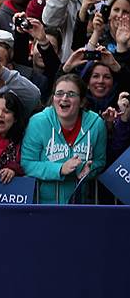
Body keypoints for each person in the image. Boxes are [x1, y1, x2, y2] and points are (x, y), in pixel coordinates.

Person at [21, 74, 107, 203]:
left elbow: (100, 161)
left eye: (71, 94)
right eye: (59, 93)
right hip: (44, 206)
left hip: (81, 205)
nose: (64, 98)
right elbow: (27, 164)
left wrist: (89, 170)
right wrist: (60, 169)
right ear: (53, 98)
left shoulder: (97, 124)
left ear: (82, 101)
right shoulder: (37, 122)